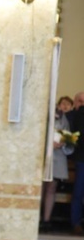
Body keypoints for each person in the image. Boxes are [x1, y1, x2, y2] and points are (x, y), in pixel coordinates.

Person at [41, 97, 76, 230]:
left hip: (58, 157)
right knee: (40, 188)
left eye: (68, 104)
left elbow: (69, 136)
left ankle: (46, 219)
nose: (64, 107)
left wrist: (64, 142)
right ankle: (35, 217)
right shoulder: (46, 115)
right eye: (63, 104)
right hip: (44, 155)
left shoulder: (64, 119)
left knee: (51, 188)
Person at [66, 91, 84, 234]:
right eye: (81, 102)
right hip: (81, 159)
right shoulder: (72, 117)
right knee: (78, 192)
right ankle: (76, 223)